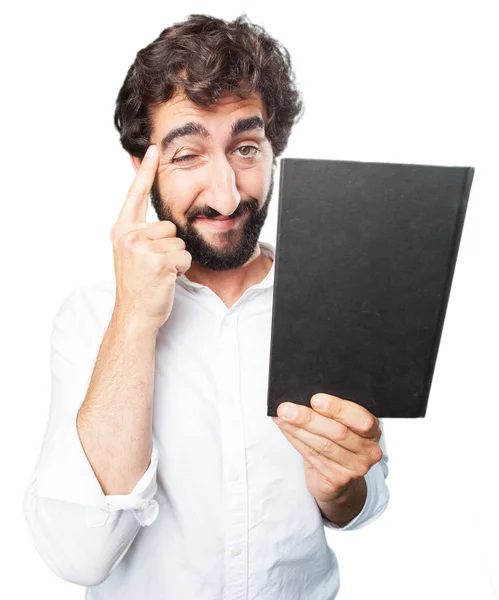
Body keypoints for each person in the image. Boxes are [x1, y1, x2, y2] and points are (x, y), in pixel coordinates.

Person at [23, 13, 389, 600]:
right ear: (142, 170)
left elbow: (363, 498)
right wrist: (137, 319)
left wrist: (345, 488)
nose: (226, 194)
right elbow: (79, 554)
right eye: (188, 154)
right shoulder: (91, 318)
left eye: (246, 148)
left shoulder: (331, 298)